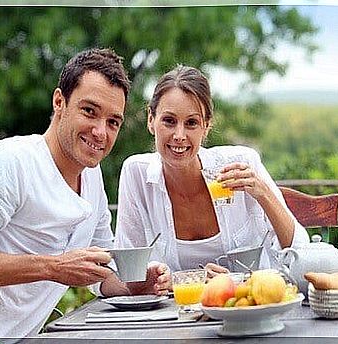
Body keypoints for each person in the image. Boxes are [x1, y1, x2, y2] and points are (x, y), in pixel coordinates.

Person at [0, 48, 170, 340]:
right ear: (59, 102)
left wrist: (134, 284)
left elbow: (101, 271)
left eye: (113, 121)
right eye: (89, 111)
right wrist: (54, 266)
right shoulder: (11, 162)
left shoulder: (91, 175)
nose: (101, 132)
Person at [114, 65, 309, 274]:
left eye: (191, 123)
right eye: (169, 121)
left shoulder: (241, 163)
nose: (179, 135)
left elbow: (299, 251)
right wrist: (192, 279)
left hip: (250, 301)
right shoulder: (136, 174)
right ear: (151, 120)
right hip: (178, 306)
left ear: (206, 126)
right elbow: (128, 269)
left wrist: (263, 193)